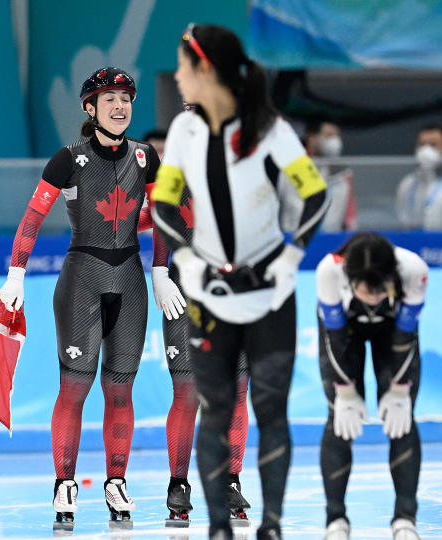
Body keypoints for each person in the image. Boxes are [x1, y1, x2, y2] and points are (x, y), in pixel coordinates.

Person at [151, 24, 329, 539]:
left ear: (205, 69)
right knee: (214, 406)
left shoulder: (270, 129)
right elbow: (163, 204)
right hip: (208, 295)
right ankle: (216, 528)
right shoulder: (184, 133)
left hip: (270, 294)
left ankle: (269, 525)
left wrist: (290, 256)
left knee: (269, 408)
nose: (178, 78)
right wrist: (182, 260)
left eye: (183, 68)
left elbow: (315, 197)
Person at [0, 67, 179, 530]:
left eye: (126, 98)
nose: (120, 106)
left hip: (133, 284)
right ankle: (64, 483)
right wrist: (16, 273)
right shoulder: (69, 159)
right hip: (81, 283)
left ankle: (116, 480)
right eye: (109, 98)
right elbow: (32, 219)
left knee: (121, 392)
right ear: (90, 109)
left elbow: (163, 217)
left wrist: (160, 269)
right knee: (75, 388)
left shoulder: (146, 157)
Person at [150, 185, 253, 527]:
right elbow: (159, 217)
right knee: (188, 391)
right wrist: (160, 271)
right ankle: (178, 483)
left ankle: (231, 479)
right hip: (184, 293)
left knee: (237, 389)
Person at [316, 232, 426, 540]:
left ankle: (405, 519)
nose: (375, 299)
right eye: (367, 292)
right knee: (339, 417)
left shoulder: (413, 270)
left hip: (393, 332)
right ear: (350, 280)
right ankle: (335, 520)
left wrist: (401, 389)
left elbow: (406, 337)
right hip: (344, 334)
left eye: (381, 292)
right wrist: (345, 390)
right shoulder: (329, 271)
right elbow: (334, 339)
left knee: (402, 420)